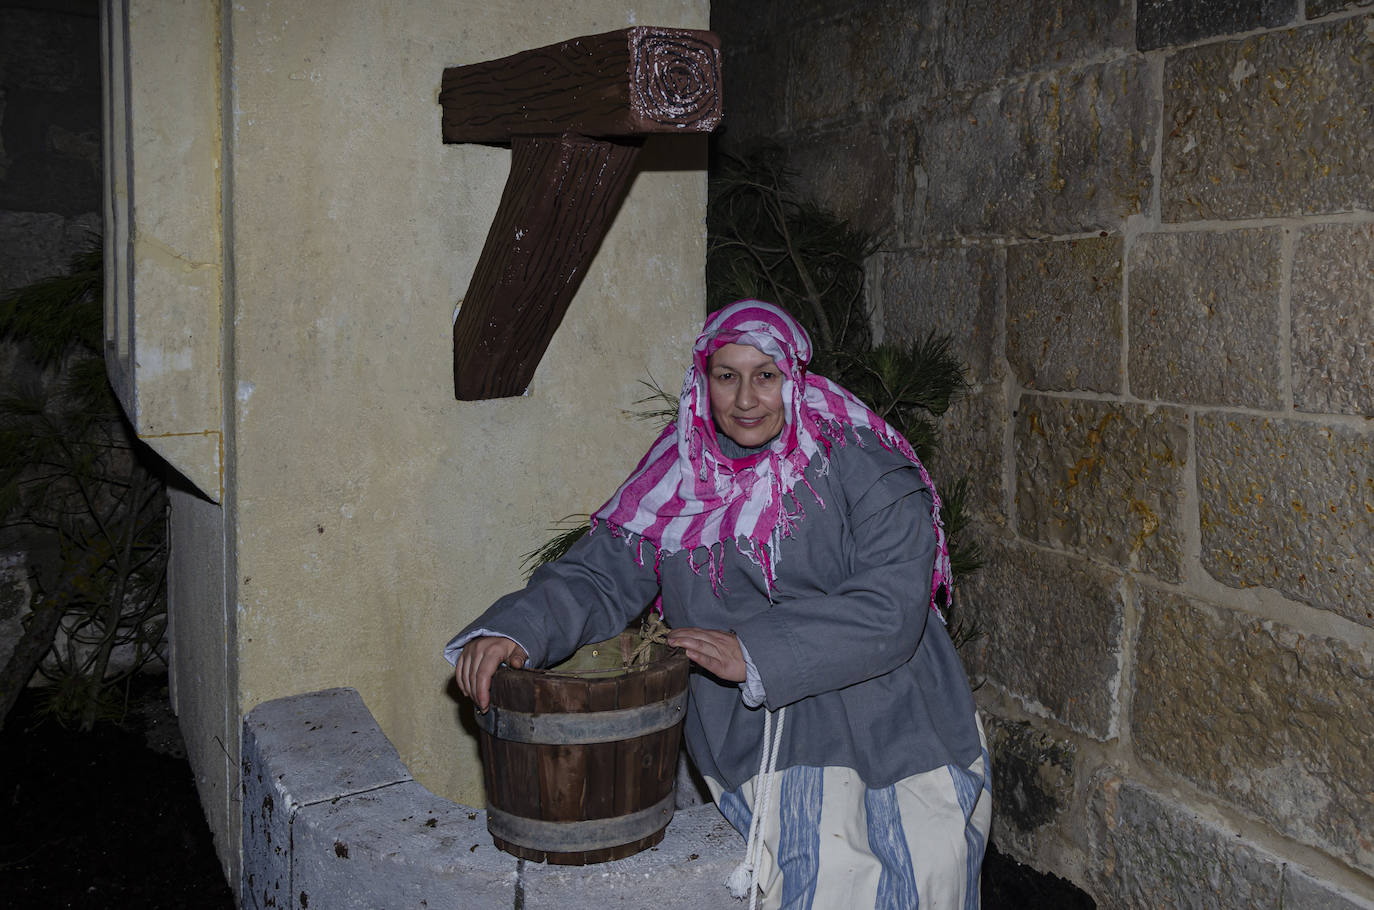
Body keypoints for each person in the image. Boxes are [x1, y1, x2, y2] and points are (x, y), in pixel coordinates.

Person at [446, 300, 989, 909]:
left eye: (766, 375)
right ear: (704, 381)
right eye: (727, 376)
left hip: (893, 699)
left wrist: (756, 648)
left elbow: (893, 604)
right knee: (825, 864)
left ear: (793, 376)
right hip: (760, 722)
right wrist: (520, 631)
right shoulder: (678, 476)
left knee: (931, 855)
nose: (747, 399)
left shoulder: (862, 459)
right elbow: (600, 575)